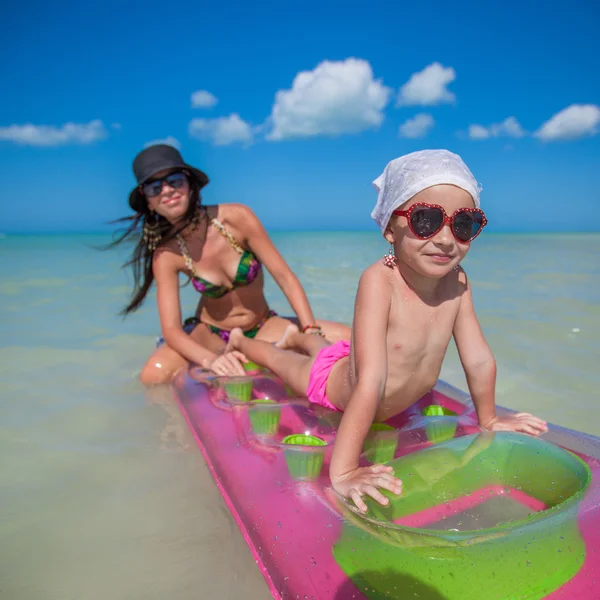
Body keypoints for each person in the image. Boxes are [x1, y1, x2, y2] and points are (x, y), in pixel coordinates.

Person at [225, 149, 548, 512]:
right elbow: (371, 379)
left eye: (463, 225)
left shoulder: (457, 282)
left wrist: (488, 418)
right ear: (389, 228)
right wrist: (345, 470)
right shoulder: (380, 280)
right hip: (334, 386)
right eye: (426, 220)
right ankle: (246, 341)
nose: (445, 239)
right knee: (282, 362)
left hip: (358, 365)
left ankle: (303, 336)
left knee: (330, 349)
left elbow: (476, 358)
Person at [110, 144, 350, 386]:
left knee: (348, 337)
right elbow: (171, 330)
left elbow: (284, 277)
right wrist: (210, 359)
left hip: (263, 325)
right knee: (153, 374)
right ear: (148, 201)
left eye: (175, 180)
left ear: (190, 183)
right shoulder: (167, 255)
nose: (167, 190)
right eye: (155, 187)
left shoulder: (237, 218)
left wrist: (310, 331)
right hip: (211, 335)